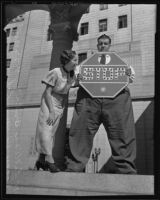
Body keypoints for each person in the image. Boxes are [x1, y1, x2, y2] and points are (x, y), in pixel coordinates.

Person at [65, 34, 137, 174]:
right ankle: (74, 168)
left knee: (122, 133)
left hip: (116, 99)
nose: (103, 45)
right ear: (97, 46)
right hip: (89, 99)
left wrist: (128, 74)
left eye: (105, 43)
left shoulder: (121, 64)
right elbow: (73, 80)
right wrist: (78, 79)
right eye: (100, 44)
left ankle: (127, 171)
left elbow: (131, 77)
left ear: (109, 45)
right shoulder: (85, 64)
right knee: (80, 132)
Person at [34, 50, 78, 173]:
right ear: (67, 61)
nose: (76, 62)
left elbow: (66, 92)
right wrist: (52, 111)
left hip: (59, 104)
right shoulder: (55, 72)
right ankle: (50, 160)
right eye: (74, 60)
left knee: (51, 133)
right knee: (46, 130)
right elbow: (48, 92)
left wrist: (62, 108)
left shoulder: (71, 75)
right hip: (49, 102)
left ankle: (41, 161)